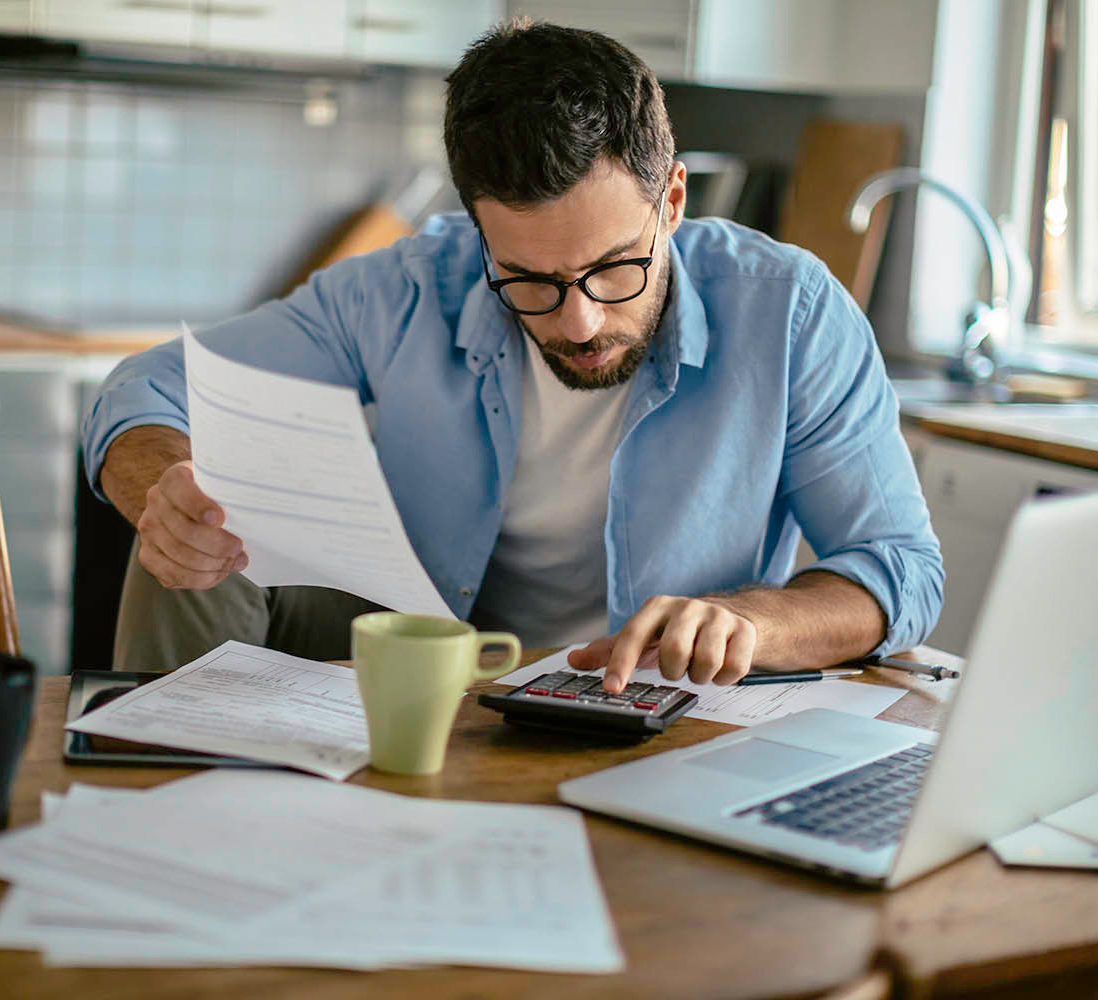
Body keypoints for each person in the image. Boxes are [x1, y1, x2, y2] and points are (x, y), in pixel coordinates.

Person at [82, 20, 943, 692]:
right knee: (196, 504)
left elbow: (899, 569)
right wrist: (165, 488)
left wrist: (750, 623)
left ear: (672, 198)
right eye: (527, 278)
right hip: (429, 653)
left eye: (614, 269)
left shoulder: (790, 310)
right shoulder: (409, 287)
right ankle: (160, 809)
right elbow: (146, 385)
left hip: (647, 695)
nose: (577, 321)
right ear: (479, 233)